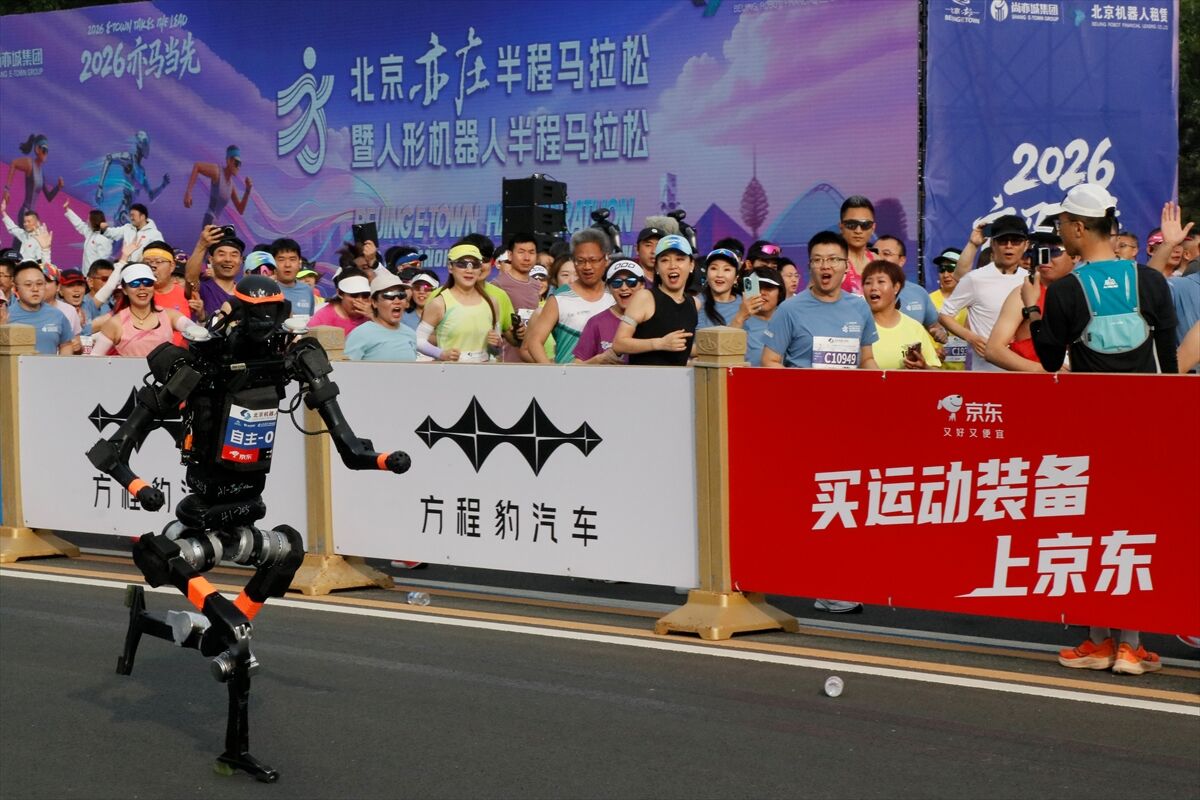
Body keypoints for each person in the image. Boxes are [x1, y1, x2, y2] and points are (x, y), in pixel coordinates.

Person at [1025, 184, 1176, 676]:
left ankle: (1098, 640)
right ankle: (1131, 645)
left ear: (1078, 227)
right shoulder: (1149, 282)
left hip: (1091, 428)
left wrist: (1032, 310)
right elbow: (1169, 361)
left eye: (1061, 223)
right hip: (1148, 426)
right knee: (1135, 532)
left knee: (1094, 530)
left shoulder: (1066, 290)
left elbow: (1050, 359)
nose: (1059, 232)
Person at [761, 231, 879, 371]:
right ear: (809, 267)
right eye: (817, 260)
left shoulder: (861, 307)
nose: (825, 266)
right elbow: (769, 361)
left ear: (846, 266)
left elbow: (866, 359)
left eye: (833, 259)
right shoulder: (788, 309)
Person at [938, 214, 1028, 371]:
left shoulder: (1030, 279)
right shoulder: (975, 278)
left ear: (1026, 245)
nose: (1009, 246)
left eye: (1015, 241)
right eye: (1002, 240)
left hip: (1025, 370)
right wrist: (972, 338)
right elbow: (944, 315)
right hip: (987, 371)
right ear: (993, 244)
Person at [984, 226, 1075, 372]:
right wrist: (1045, 371)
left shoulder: (1086, 291)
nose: (1045, 259)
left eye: (1054, 251)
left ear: (1075, 256)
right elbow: (993, 350)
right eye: (1040, 251)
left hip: (1083, 380)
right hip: (1035, 383)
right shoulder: (1022, 294)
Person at [524, 229, 614, 363]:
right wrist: (552, 371)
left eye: (593, 260)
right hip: (569, 374)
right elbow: (534, 342)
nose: (587, 267)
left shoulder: (615, 294)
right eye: (580, 261)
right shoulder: (559, 298)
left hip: (611, 374)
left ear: (606, 259)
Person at [612, 234, 698, 366]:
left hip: (678, 378)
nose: (672, 265)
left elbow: (681, 348)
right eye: (665, 260)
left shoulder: (694, 303)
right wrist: (660, 343)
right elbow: (619, 344)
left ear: (691, 265)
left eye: (679, 259)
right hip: (645, 377)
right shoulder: (645, 297)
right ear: (657, 268)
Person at [418, 243, 499, 363]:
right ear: (450, 267)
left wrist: (495, 344)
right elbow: (418, 340)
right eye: (462, 264)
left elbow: (496, 348)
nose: (469, 270)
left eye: (475, 265)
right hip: (451, 371)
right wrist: (441, 354)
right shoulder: (440, 303)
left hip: (485, 371)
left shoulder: (492, 302)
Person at [88, 263, 192, 357]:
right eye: (135, 283)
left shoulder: (170, 316)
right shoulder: (115, 323)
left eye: (147, 282)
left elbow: (196, 332)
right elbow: (94, 360)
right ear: (124, 289)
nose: (142, 287)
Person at [863, 260, 941, 370]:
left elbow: (936, 372)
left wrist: (924, 367)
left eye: (881, 281)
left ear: (896, 287)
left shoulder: (914, 327)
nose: (873, 287)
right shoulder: (858, 326)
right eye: (868, 283)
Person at [574, 259, 646, 364]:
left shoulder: (654, 319)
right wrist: (597, 361)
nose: (624, 288)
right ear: (608, 288)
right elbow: (577, 365)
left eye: (631, 282)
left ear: (642, 285)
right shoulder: (596, 322)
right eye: (617, 283)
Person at [345, 271, 419, 362]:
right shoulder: (360, 334)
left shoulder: (410, 333)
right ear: (374, 302)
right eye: (389, 295)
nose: (397, 301)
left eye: (401, 295)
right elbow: (345, 368)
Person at [6, 260, 74, 354]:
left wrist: (63, 362)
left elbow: (66, 344)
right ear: (14, 288)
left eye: (39, 284)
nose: (35, 289)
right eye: (28, 285)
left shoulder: (57, 315)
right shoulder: (6, 316)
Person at [493, 232, 542, 362]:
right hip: (507, 360)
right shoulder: (498, 285)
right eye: (521, 252)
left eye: (531, 252)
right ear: (510, 255)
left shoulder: (538, 286)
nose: (527, 258)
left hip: (534, 359)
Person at [184, 145, 252, 229]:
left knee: (229, 235)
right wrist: (188, 192)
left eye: (240, 164)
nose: (238, 167)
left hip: (215, 222)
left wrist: (247, 190)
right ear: (229, 161)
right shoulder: (217, 172)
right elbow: (197, 166)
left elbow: (240, 210)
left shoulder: (231, 185)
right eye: (236, 163)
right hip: (209, 219)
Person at [4, 133, 62, 219]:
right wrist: (7, 190)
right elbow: (14, 163)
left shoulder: (41, 173)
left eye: (47, 151)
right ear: (37, 149)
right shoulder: (29, 164)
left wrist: (58, 187)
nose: (46, 153)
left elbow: (49, 197)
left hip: (32, 216)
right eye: (44, 150)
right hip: (25, 214)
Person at [742, 266, 785, 367]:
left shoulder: (789, 320)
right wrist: (740, 317)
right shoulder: (739, 321)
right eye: (757, 287)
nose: (762, 293)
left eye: (768, 287)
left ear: (780, 292)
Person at [309, 269, 373, 336]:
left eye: (365, 295)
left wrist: (373, 317)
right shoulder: (322, 318)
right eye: (354, 295)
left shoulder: (373, 315)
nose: (360, 300)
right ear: (340, 293)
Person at [696, 248, 748, 329]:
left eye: (726, 269)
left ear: (735, 278)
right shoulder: (696, 304)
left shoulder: (745, 304)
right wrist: (740, 318)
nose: (720, 275)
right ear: (706, 275)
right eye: (714, 268)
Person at [267, 238, 316, 318]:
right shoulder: (267, 289)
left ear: (299, 263)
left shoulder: (307, 290)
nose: (287, 265)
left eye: (292, 259)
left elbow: (310, 321)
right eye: (281, 260)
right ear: (272, 263)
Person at [61, 199, 114, 271]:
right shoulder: (90, 233)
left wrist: (95, 274)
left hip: (96, 275)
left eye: (89, 219)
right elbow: (80, 225)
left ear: (94, 221)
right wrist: (67, 209)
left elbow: (103, 260)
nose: (87, 220)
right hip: (86, 273)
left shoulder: (104, 238)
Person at [838, 196, 876, 294]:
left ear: (873, 228)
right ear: (841, 226)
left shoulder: (879, 262)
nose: (858, 231)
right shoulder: (830, 263)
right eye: (851, 224)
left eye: (865, 225)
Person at [1, 198, 53, 264]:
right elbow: (13, 228)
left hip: (34, 268)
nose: (26, 224)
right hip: (22, 267)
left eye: (29, 221)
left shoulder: (41, 238)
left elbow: (43, 262)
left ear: (37, 222)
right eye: (25, 222)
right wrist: (3, 212)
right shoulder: (25, 235)